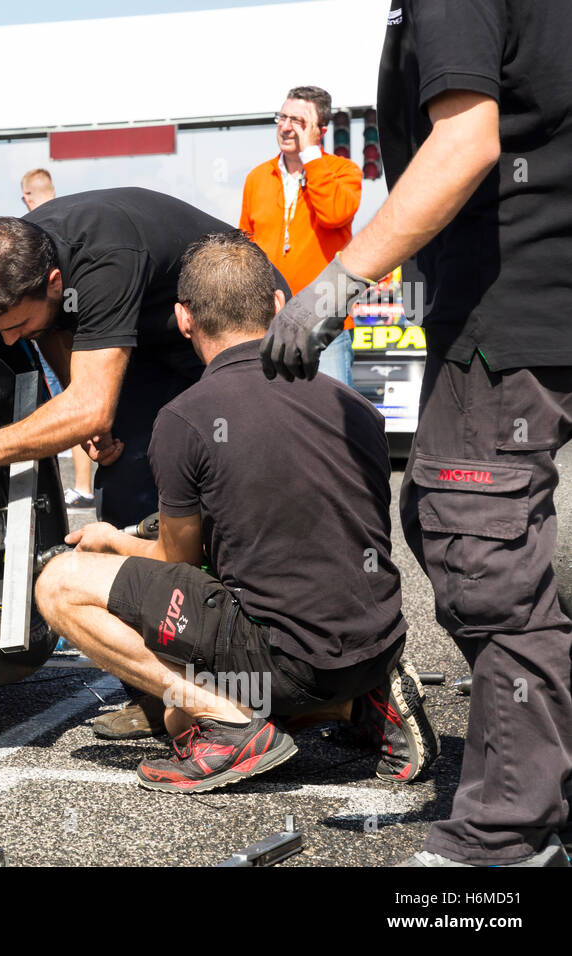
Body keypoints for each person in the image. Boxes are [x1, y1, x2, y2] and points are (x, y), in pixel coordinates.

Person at [260, 0, 572, 867]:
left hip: (511, 314)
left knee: (483, 559)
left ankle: (507, 839)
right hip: (537, 308)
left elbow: (465, 143)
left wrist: (337, 286)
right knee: (458, 527)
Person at [35, 231, 435, 792]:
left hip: (288, 663)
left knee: (64, 591)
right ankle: (358, 706)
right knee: (188, 702)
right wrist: (128, 538)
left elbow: (177, 563)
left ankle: (232, 725)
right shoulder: (354, 406)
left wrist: (115, 544)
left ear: (184, 320)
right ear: (278, 304)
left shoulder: (185, 417)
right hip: (374, 645)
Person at [0, 187, 288, 739]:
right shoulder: (29, 261)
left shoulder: (104, 257)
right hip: (150, 341)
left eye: (15, 324)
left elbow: (90, 403)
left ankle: (280, 659)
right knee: (125, 488)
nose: (10, 341)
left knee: (242, 483)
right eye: (1, 331)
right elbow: (55, 334)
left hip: (226, 318)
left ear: (54, 282)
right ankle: (164, 692)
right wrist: (87, 414)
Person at [240, 86, 361, 386]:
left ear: (321, 130)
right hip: (268, 321)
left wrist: (311, 156)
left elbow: (334, 215)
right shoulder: (257, 177)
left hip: (325, 320)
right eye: (282, 117)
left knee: (329, 410)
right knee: (271, 407)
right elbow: (246, 246)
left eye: (298, 121)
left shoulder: (344, 171)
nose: (285, 126)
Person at [18, 167, 95, 509]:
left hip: (55, 333)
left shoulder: (30, 234)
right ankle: (86, 485)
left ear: (26, 198)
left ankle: (81, 486)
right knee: (80, 397)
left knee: (70, 402)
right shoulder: (72, 223)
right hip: (86, 329)